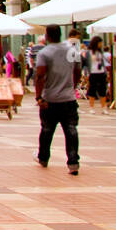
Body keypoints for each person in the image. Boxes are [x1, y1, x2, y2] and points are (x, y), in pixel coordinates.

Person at [34, 24, 81, 175]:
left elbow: (40, 76)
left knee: (47, 130)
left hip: (50, 99)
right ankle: (73, 162)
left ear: (47, 36)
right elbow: (78, 71)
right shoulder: (72, 50)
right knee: (71, 130)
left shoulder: (44, 53)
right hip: (69, 98)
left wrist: (39, 96)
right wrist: (72, 87)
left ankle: (43, 158)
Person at [83, 35, 111, 114]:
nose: (101, 44)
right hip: (93, 73)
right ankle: (91, 107)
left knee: (102, 90)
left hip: (101, 72)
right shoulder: (89, 52)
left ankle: (104, 107)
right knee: (92, 90)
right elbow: (86, 63)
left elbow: (102, 63)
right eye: (100, 43)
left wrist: (105, 72)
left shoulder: (100, 52)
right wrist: (86, 73)